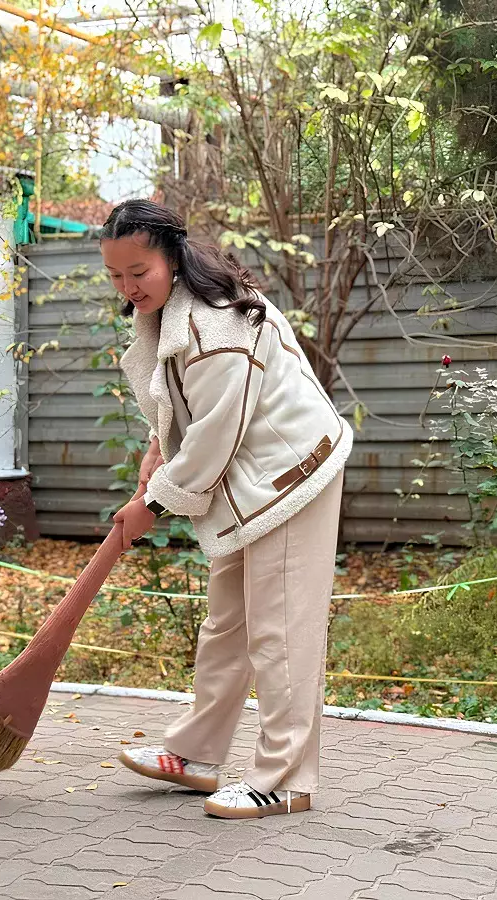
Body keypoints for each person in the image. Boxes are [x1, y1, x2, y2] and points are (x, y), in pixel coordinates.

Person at [104, 199, 352, 820]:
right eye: (116, 275)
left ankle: (285, 780)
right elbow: (184, 401)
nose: (129, 287)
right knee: (229, 625)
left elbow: (216, 432)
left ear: (172, 259)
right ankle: (196, 755)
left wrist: (153, 505)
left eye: (140, 272)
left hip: (291, 478)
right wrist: (158, 450)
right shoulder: (172, 314)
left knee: (282, 632)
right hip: (250, 483)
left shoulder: (215, 327)